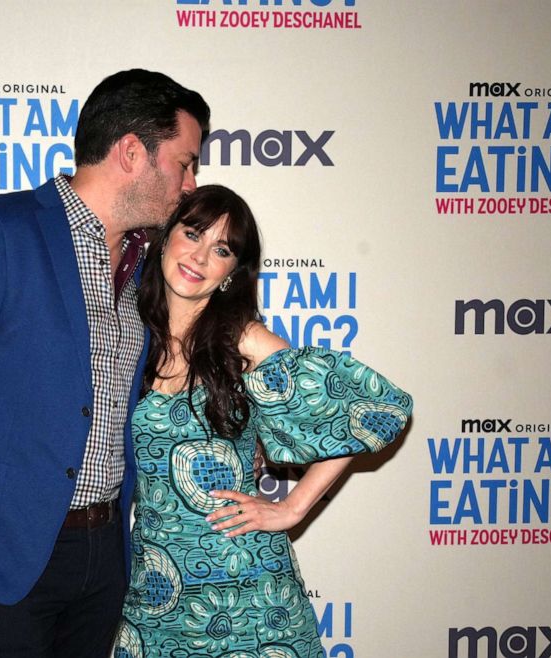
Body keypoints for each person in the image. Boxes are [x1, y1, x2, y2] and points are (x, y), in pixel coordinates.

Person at [0, 69, 210, 657]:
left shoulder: (153, 267)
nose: (191, 184)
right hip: (3, 560)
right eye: (185, 162)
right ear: (132, 151)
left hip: (107, 557)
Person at [111, 185, 413, 658]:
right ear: (165, 236)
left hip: (244, 585)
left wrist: (292, 509)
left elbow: (375, 409)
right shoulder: (128, 333)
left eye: (222, 249)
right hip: (155, 588)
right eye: (192, 234)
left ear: (233, 272)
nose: (200, 256)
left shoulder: (242, 339)